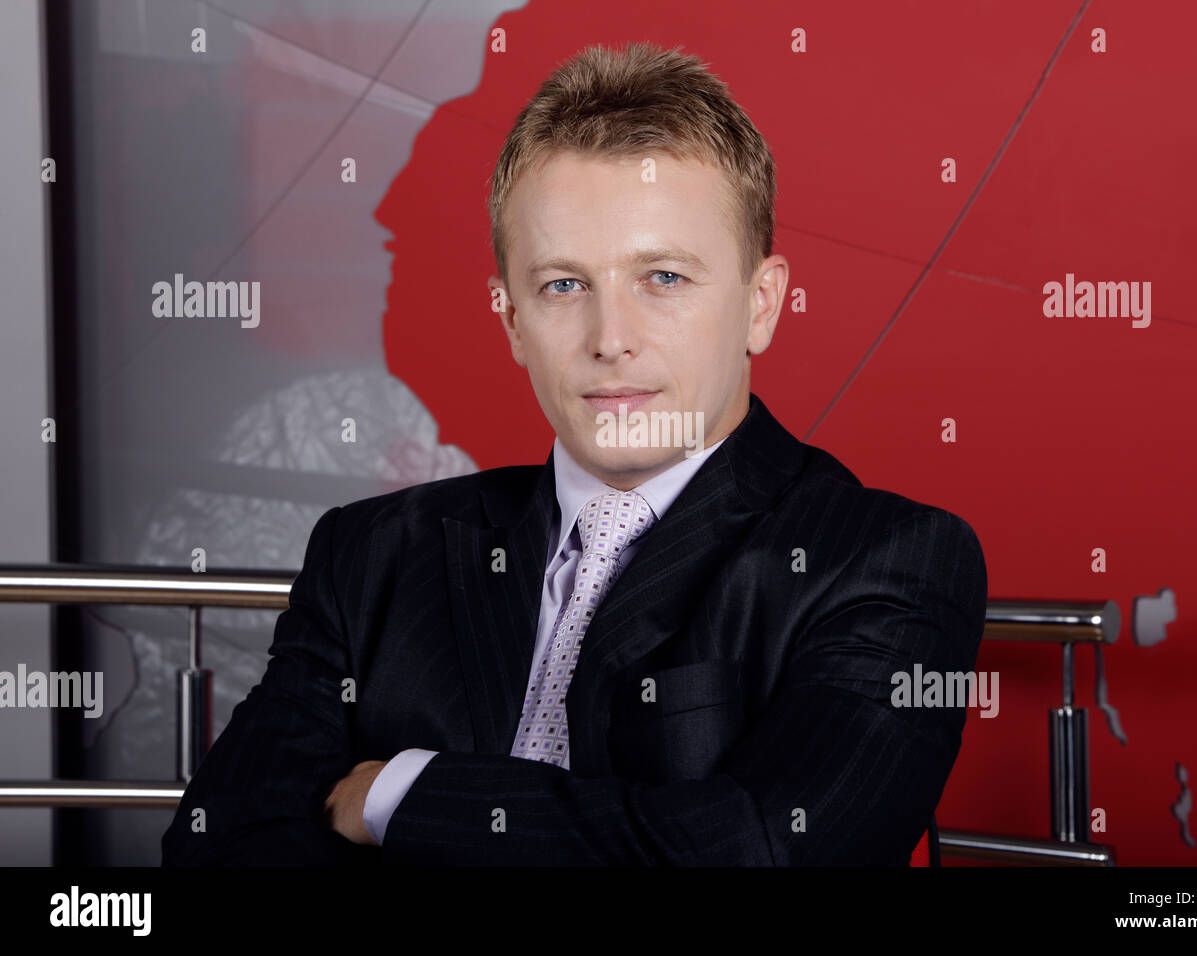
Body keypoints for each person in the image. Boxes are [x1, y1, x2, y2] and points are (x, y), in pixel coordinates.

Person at [161, 40, 987, 867]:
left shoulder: (884, 558)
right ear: (513, 321)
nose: (610, 339)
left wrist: (399, 793)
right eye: (563, 284)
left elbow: (766, 847)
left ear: (761, 305)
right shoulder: (370, 554)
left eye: (662, 278)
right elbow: (218, 847)